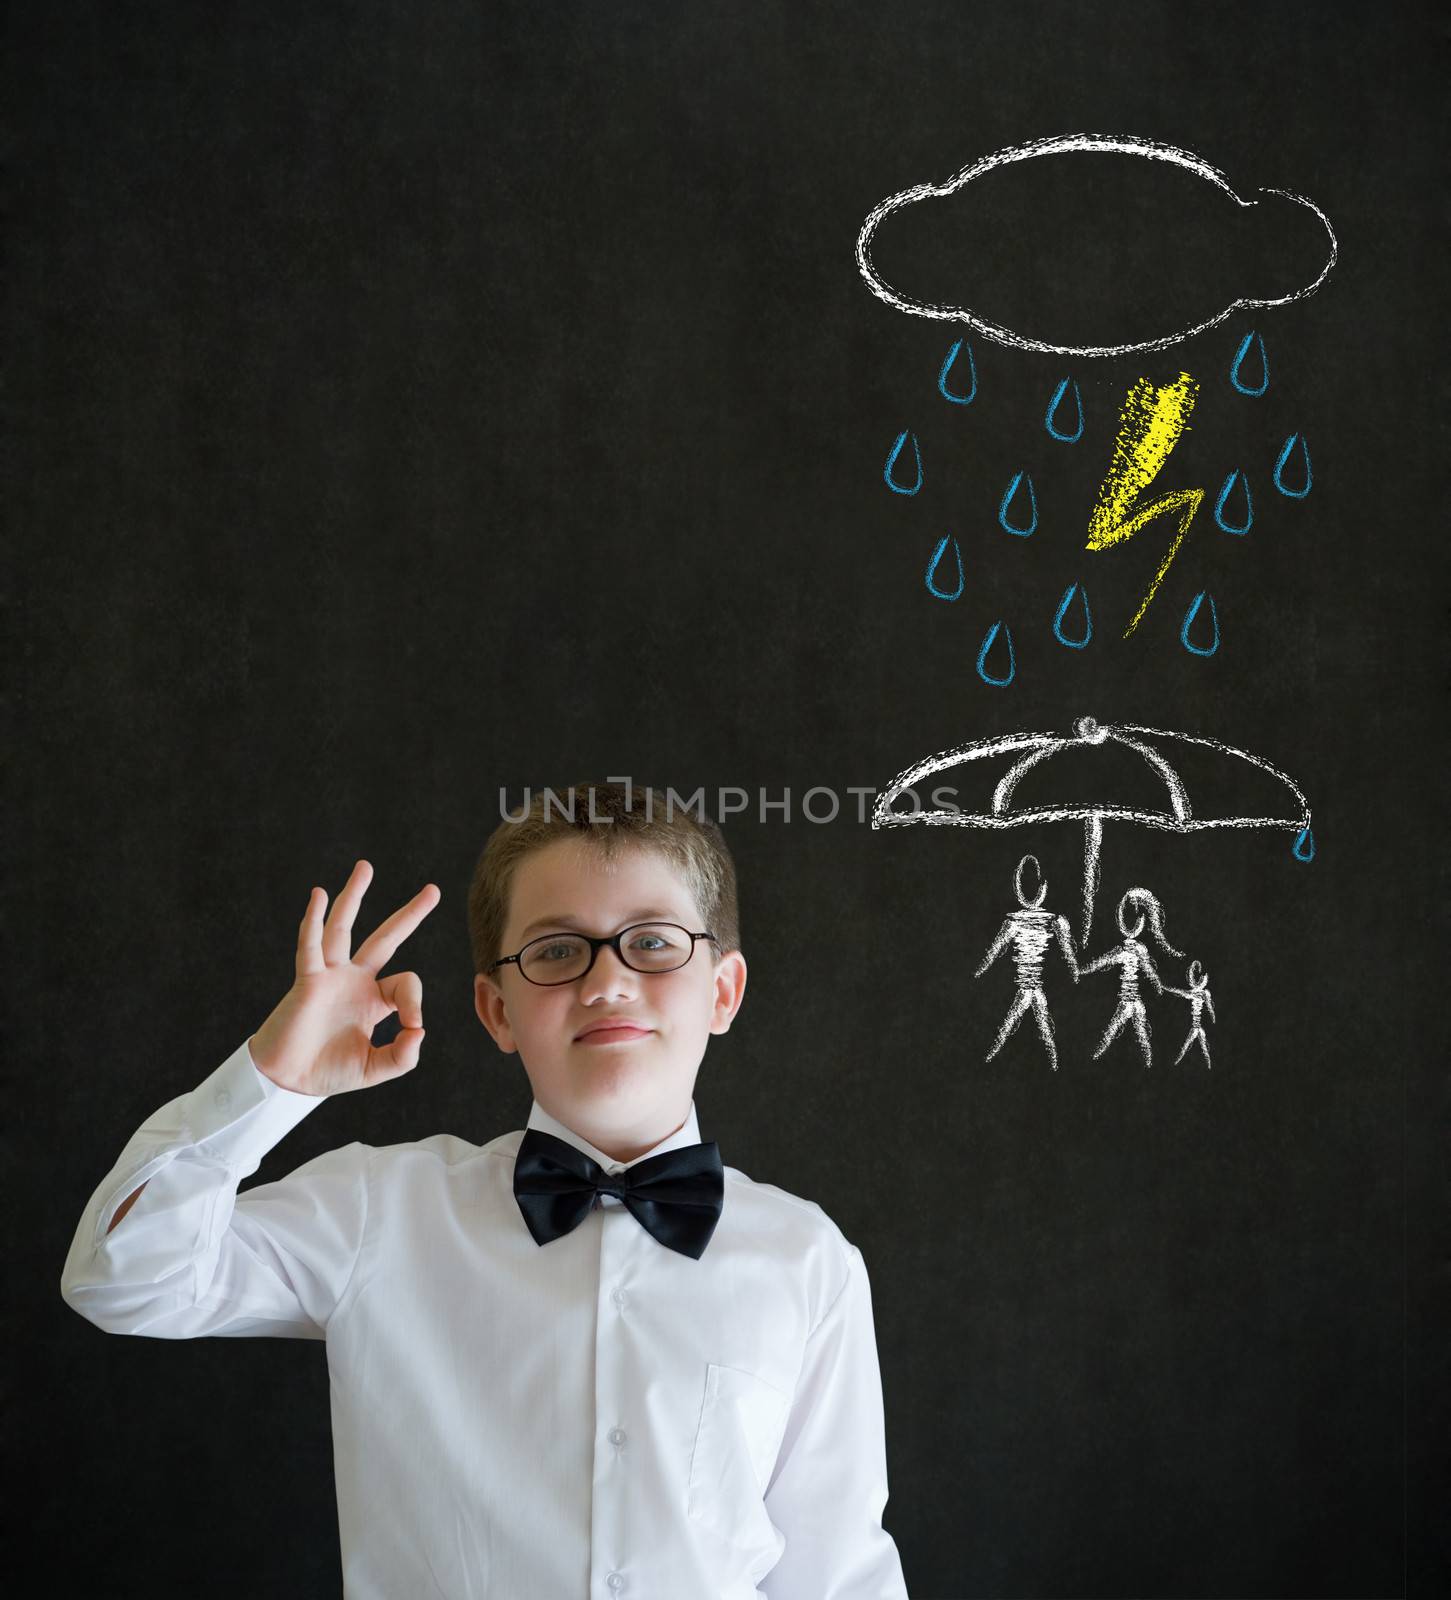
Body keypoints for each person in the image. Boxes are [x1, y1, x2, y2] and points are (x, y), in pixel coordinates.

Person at [60, 782, 909, 1600]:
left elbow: (838, 1574)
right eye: (555, 950)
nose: (607, 982)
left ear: (721, 990)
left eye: (652, 942)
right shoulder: (379, 1211)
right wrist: (273, 1081)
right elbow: (123, 1276)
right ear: (496, 1011)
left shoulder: (807, 1259)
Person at [973, 854, 1080, 1070]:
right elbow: (1069, 954)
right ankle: (1052, 1061)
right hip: (1032, 985)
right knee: (1029, 1022)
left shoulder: (1019, 923)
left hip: (1029, 985)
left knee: (1017, 1022)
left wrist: (981, 970)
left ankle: (1050, 1061)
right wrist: (1075, 970)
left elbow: (994, 953)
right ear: (1043, 889)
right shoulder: (1053, 922)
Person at [1165, 958, 1216, 1067]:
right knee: (1196, 1045)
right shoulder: (1198, 993)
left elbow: (1178, 991)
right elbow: (1178, 991)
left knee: (1194, 1045)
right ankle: (1207, 1063)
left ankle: (1207, 1063)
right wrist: (1212, 1016)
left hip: (1196, 1026)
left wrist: (1213, 1016)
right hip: (1196, 1026)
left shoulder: (1200, 993)